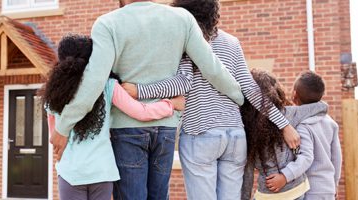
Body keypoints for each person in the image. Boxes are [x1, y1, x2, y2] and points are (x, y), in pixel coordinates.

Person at [121, 1, 300, 199]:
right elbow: (251, 88)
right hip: (234, 136)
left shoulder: (187, 40)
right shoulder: (232, 42)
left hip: (201, 133)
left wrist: (140, 90)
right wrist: (285, 125)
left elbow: (182, 84)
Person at [42, 34, 184, 200]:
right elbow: (141, 112)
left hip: (70, 172)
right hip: (102, 172)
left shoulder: (53, 94)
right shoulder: (108, 86)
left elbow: (55, 137)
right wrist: (171, 105)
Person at [240, 69, 328, 200]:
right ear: (276, 92)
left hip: (268, 193)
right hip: (296, 189)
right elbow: (321, 106)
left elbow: (247, 171)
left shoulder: (246, 128)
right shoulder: (290, 114)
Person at [292, 71, 342, 200]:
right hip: (328, 188)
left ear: (294, 95)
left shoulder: (302, 125)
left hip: (310, 190)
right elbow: (337, 158)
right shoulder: (331, 123)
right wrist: (334, 184)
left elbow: (305, 158)